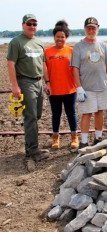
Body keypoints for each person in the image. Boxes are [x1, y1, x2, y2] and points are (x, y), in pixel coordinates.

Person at [7, 13, 51, 168]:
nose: (32, 27)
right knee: (31, 116)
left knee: (36, 115)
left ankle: (31, 145)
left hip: (39, 82)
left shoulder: (39, 43)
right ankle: (32, 151)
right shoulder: (16, 42)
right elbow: (11, 64)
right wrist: (14, 86)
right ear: (23, 25)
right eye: (29, 24)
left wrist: (47, 82)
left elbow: (44, 64)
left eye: (34, 24)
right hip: (25, 82)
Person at [71, 17, 107, 148]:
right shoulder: (78, 46)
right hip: (86, 88)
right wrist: (78, 87)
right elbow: (74, 68)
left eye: (93, 28)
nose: (91, 30)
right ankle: (83, 142)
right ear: (85, 29)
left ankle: (98, 138)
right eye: (89, 28)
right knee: (87, 114)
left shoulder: (103, 45)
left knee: (100, 112)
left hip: (102, 87)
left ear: (98, 29)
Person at [45, 21, 78, 150]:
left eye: (62, 37)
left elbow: (77, 69)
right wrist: (47, 83)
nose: (60, 39)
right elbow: (44, 70)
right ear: (54, 37)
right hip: (54, 90)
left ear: (66, 38)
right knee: (56, 114)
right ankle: (55, 137)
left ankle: (74, 136)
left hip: (70, 89)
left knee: (71, 113)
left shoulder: (71, 50)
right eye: (57, 36)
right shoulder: (47, 52)